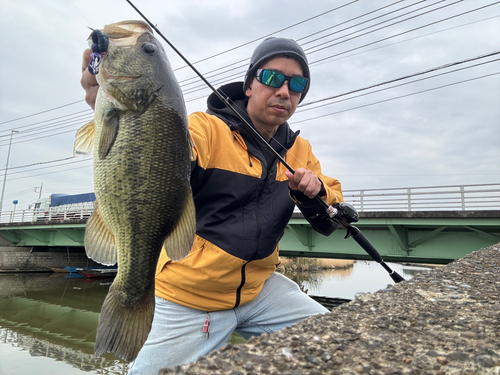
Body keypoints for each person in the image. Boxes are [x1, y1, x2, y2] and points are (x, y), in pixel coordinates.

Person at [81, 36, 344, 373]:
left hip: (260, 290)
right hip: (189, 296)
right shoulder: (203, 129)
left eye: (297, 84)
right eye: (273, 78)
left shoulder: (300, 150)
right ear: (249, 85)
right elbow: (163, 148)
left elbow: (330, 216)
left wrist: (316, 191)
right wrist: (117, 112)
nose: (284, 91)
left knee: (343, 344)